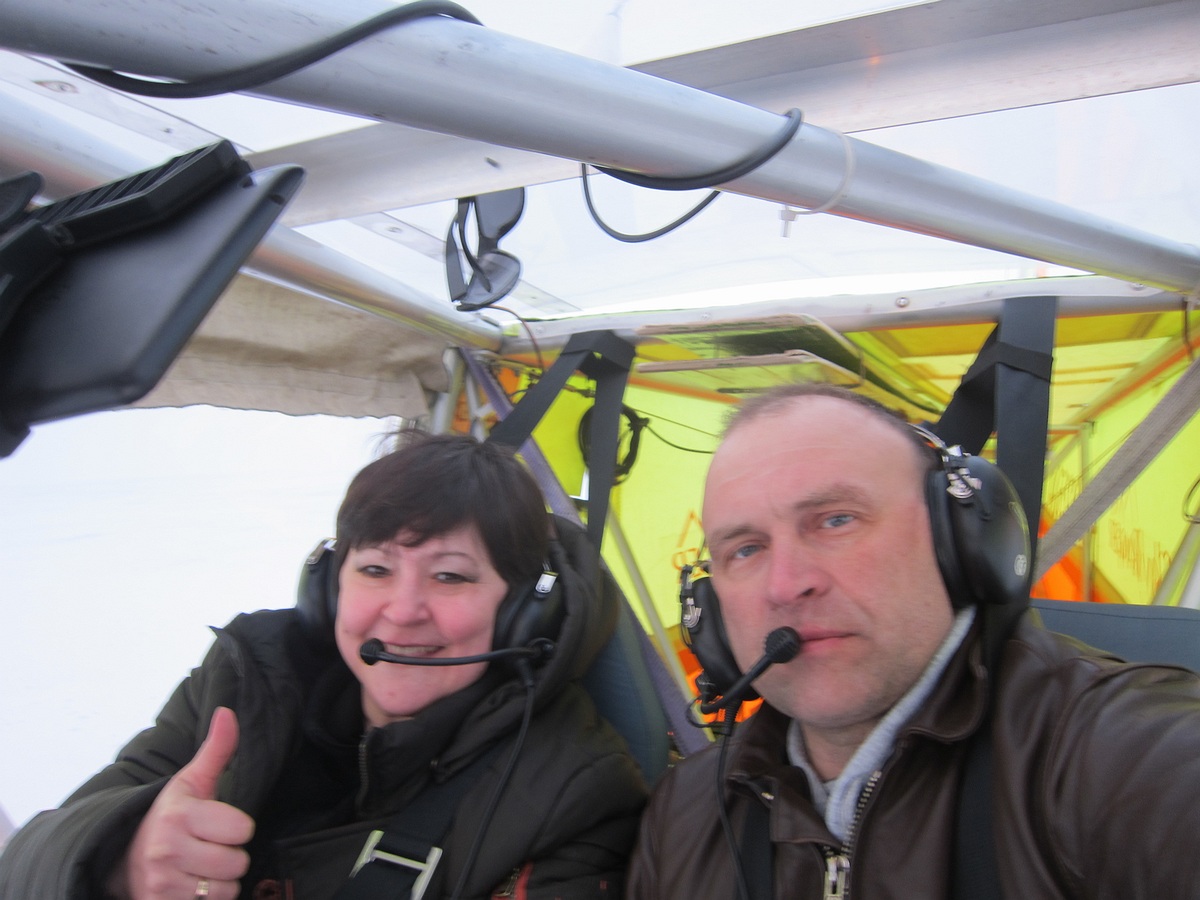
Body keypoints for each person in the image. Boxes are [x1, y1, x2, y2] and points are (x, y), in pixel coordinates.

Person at [0, 431, 648, 899]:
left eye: (450, 575)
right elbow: (25, 865)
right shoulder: (242, 681)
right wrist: (119, 858)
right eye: (375, 568)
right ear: (330, 588)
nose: (402, 611)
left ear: (523, 612)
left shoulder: (581, 791)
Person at [627, 382, 1200, 899]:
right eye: (746, 549)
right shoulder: (684, 815)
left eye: (836, 520)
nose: (786, 585)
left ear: (960, 540)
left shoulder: (1119, 758)